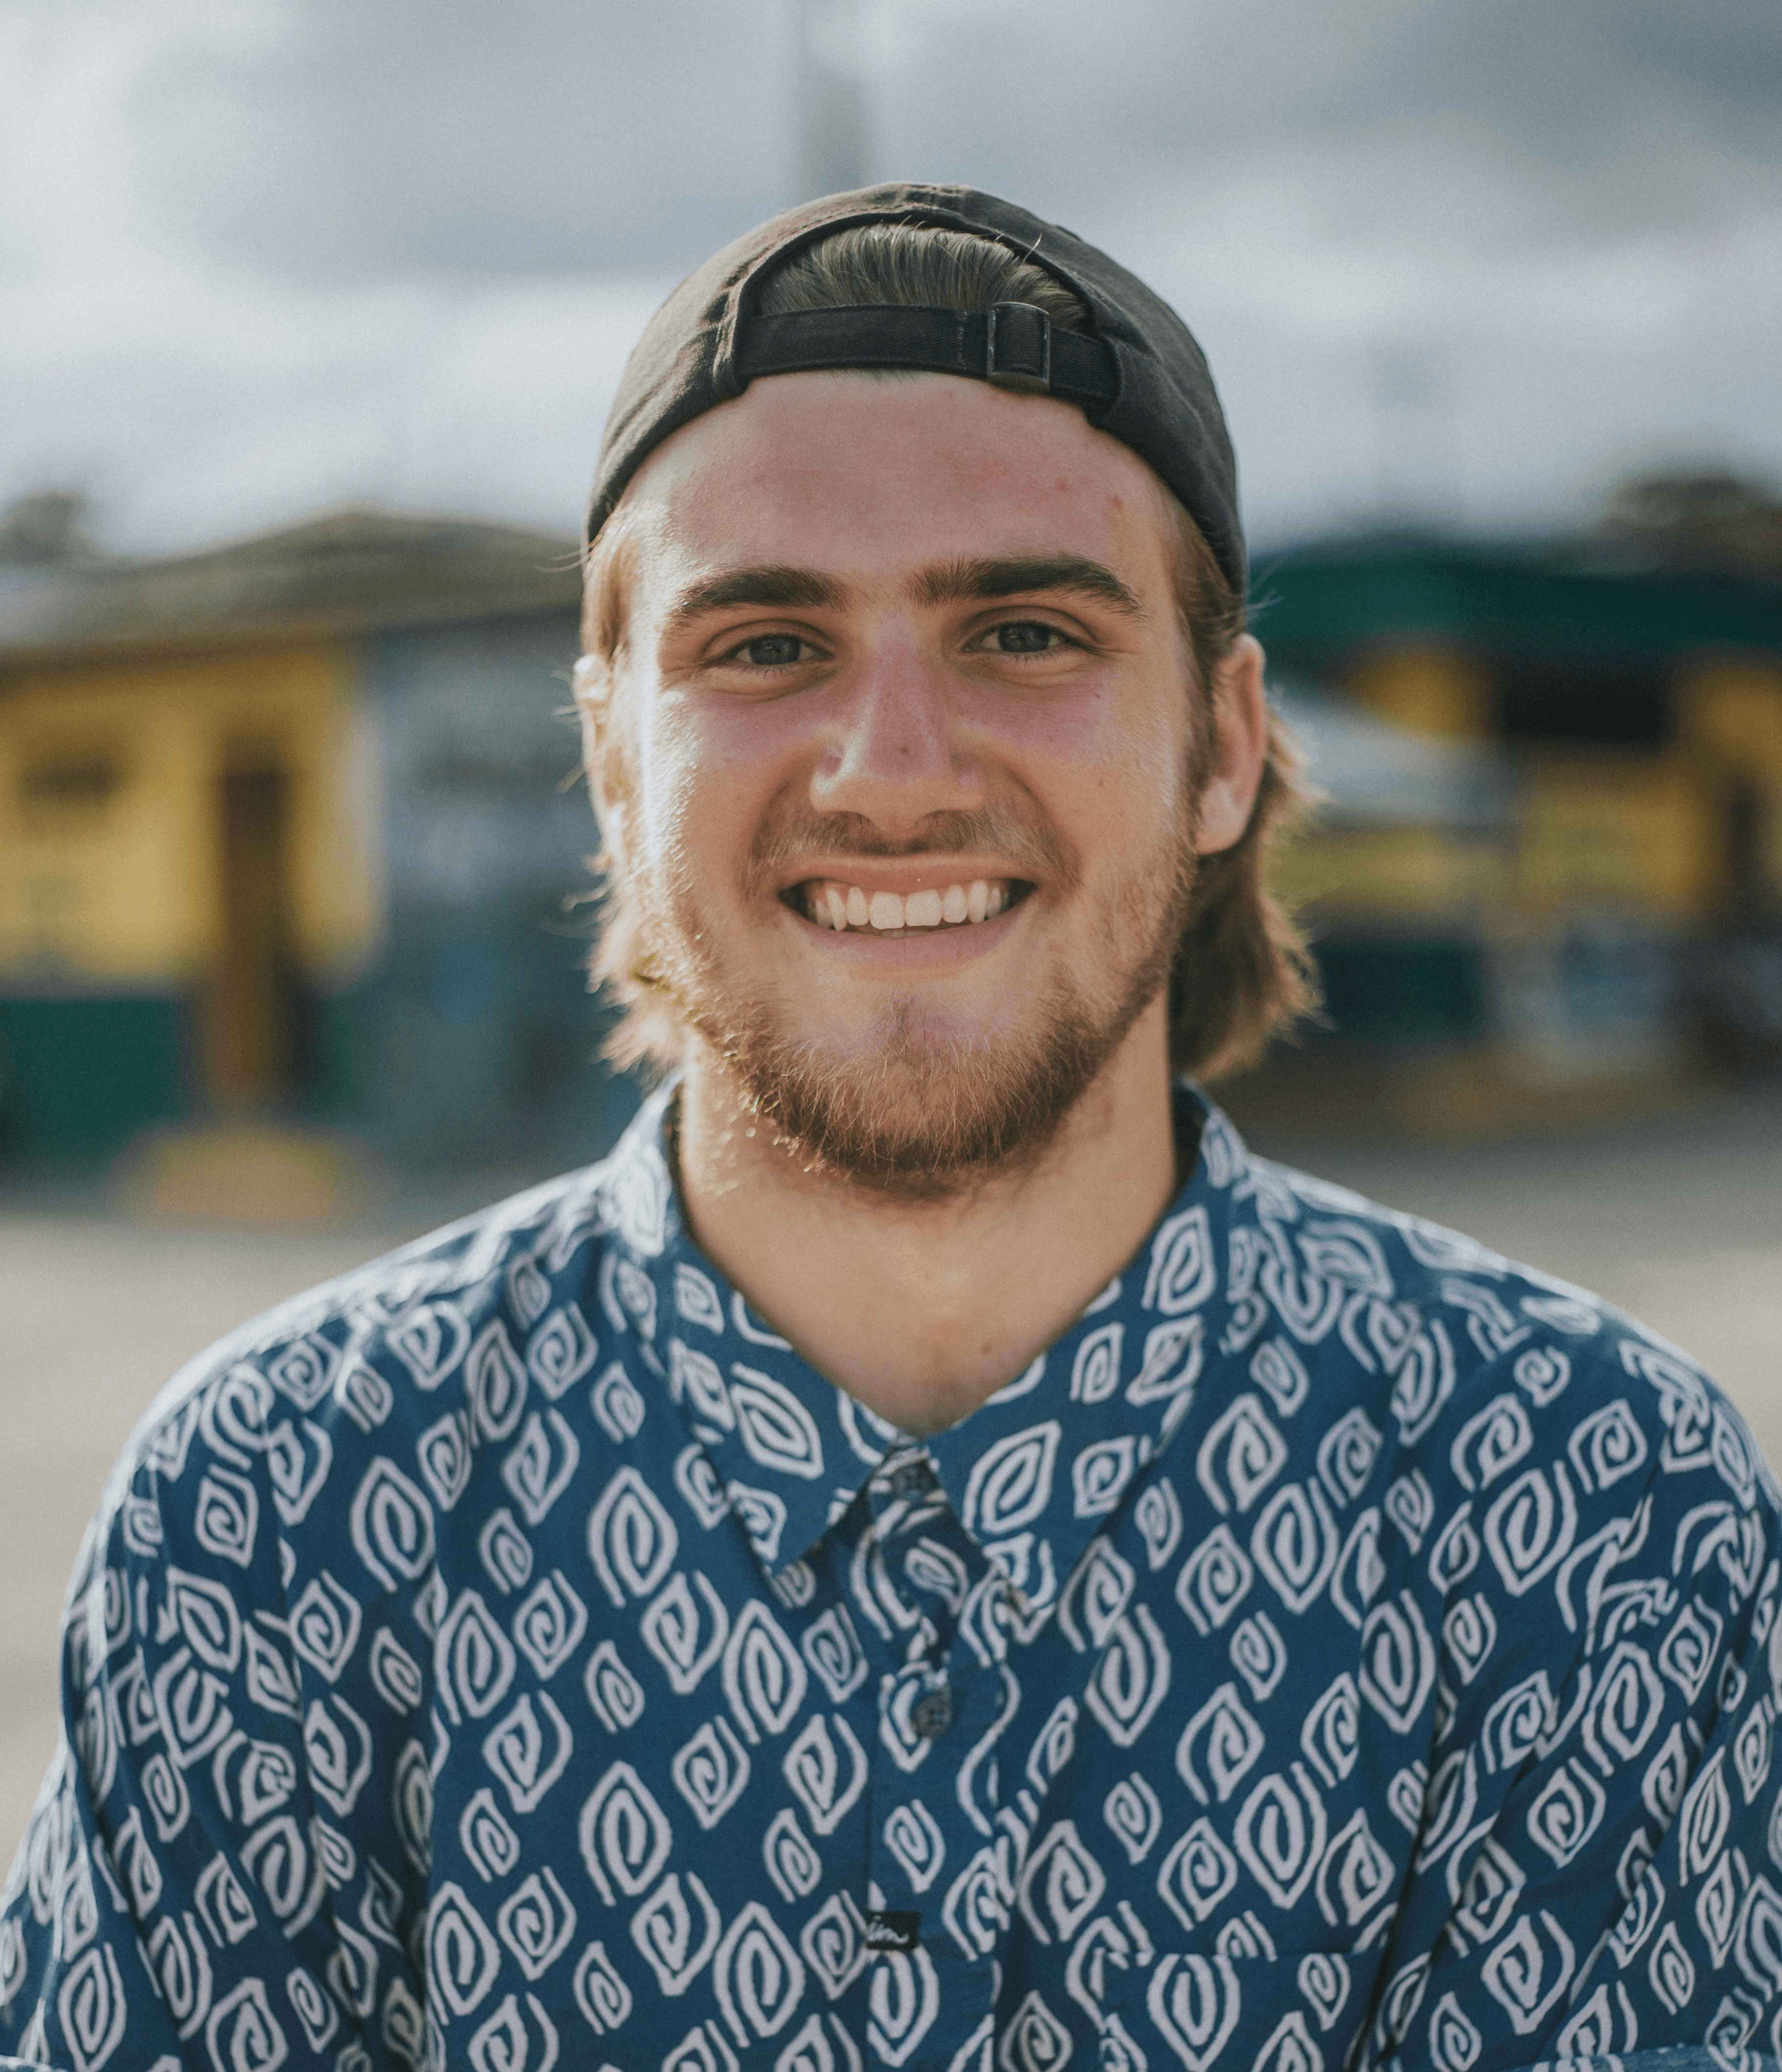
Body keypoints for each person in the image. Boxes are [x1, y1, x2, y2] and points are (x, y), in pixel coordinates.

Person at [1, 185, 1777, 2072]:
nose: (896, 774)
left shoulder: (1590, 1502)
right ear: (610, 762)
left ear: (1225, 746)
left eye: (1024, 630)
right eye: (768, 644)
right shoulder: (274, 1509)